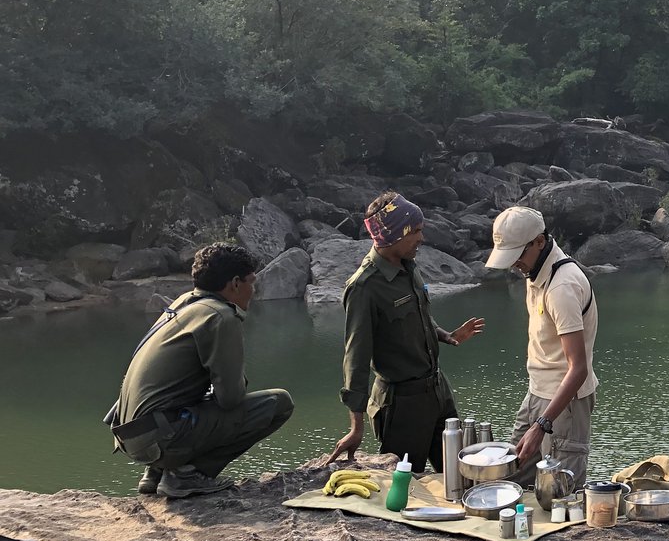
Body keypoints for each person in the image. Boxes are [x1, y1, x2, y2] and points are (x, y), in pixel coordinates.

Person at [109, 243, 295, 498]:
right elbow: (231, 398)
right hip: (159, 437)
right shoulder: (220, 316)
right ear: (235, 284)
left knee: (194, 402)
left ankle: (157, 472)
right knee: (279, 403)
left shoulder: (184, 303)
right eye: (252, 282)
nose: (254, 290)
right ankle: (186, 475)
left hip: (132, 434)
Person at [331, 191, 484, 471]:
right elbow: (355, 358)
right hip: (401, 406)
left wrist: (444, 334)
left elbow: (419, 315)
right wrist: (356, 427)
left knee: (460, 475)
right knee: (407, 488)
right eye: (415, 231)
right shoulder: (364, 287)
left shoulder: (409, 267)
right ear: (393, 232)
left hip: (438, 392)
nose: (421, 238)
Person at [483, 205, 598, 484]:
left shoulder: (562, 287)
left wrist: (542, 425)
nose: (514, 264)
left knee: (560, 491)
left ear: (539, 241)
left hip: (565, 404)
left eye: (517, 255)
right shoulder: (535, 270)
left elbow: (578, 368)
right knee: (509, 476)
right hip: (537, 391)